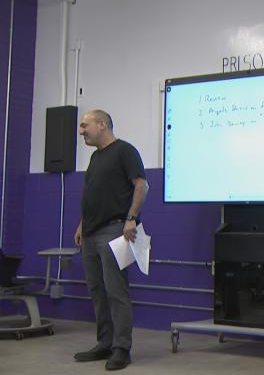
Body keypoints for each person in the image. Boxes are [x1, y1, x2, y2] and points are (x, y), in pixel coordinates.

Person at [73, 110, 148, 371]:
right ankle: (105, 343)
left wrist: (131, 218)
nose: (81, 131)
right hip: (92, 233)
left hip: (114, 230)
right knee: (97, 290)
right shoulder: (95, 157)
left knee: (116, 291)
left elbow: (141, 185)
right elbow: (93, 193)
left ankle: (121, 348)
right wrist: (82, 225)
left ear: (102, 124)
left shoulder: (125, 151)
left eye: (85, 125)